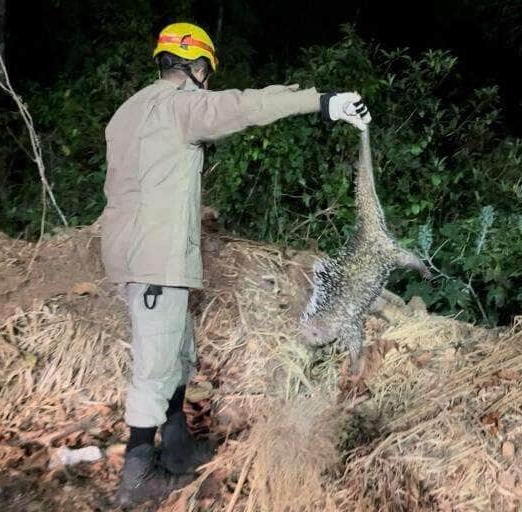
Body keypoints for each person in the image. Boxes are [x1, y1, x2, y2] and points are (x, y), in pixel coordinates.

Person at [98, 21, 372, 507]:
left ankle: (178, 447)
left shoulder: (128, 110)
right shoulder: (182, 106)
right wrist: (322, 100)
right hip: (153, 260)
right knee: (155, 363)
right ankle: (137, 475)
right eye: (209, 72)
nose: (210, 82)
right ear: (198, 66)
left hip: (139, 252)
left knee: (177, 351)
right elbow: (246, 106)